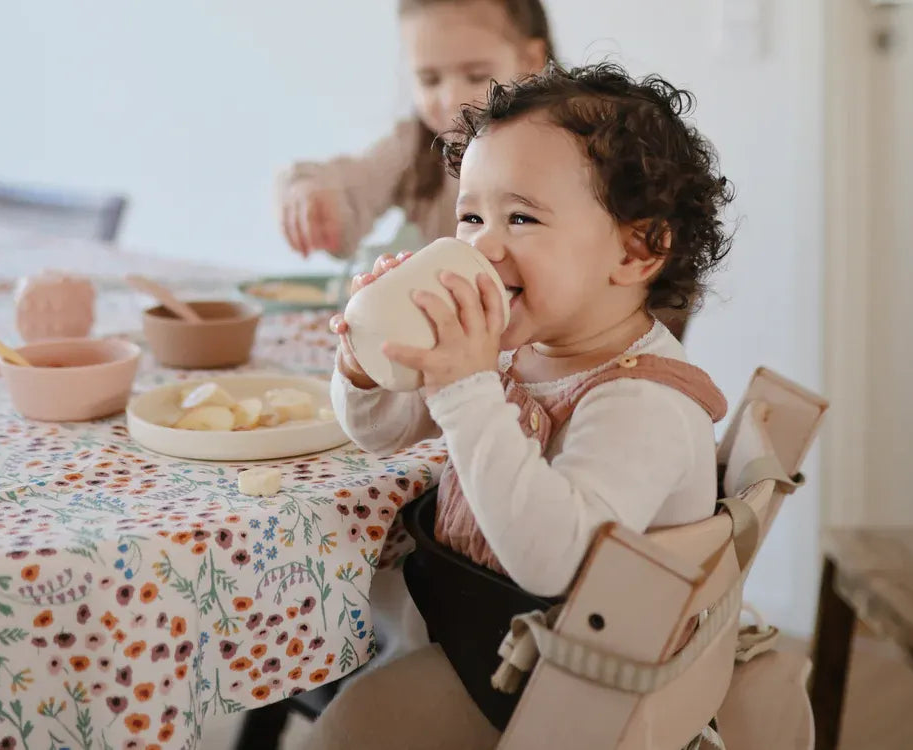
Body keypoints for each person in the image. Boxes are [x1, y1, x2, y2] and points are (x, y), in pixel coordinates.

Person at [313, 61, 735, 749]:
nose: (482, 243)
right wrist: (368, 366)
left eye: (521, 217)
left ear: (638, 249)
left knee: (346, 730)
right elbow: (380, 433)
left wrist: (466, 388)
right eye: (471, 215)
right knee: (338, 660)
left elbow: (554, 562)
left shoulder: (644, 402)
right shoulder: (520, 343)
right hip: (483, 638)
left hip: (567, 686)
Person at [275, 0, 554, 260]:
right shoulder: (414, 146)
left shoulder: (570, 148)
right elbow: (350, 184)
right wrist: (310, 193)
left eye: (475, 76)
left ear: (530, 61)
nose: (450, 99)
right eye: (430, 80)